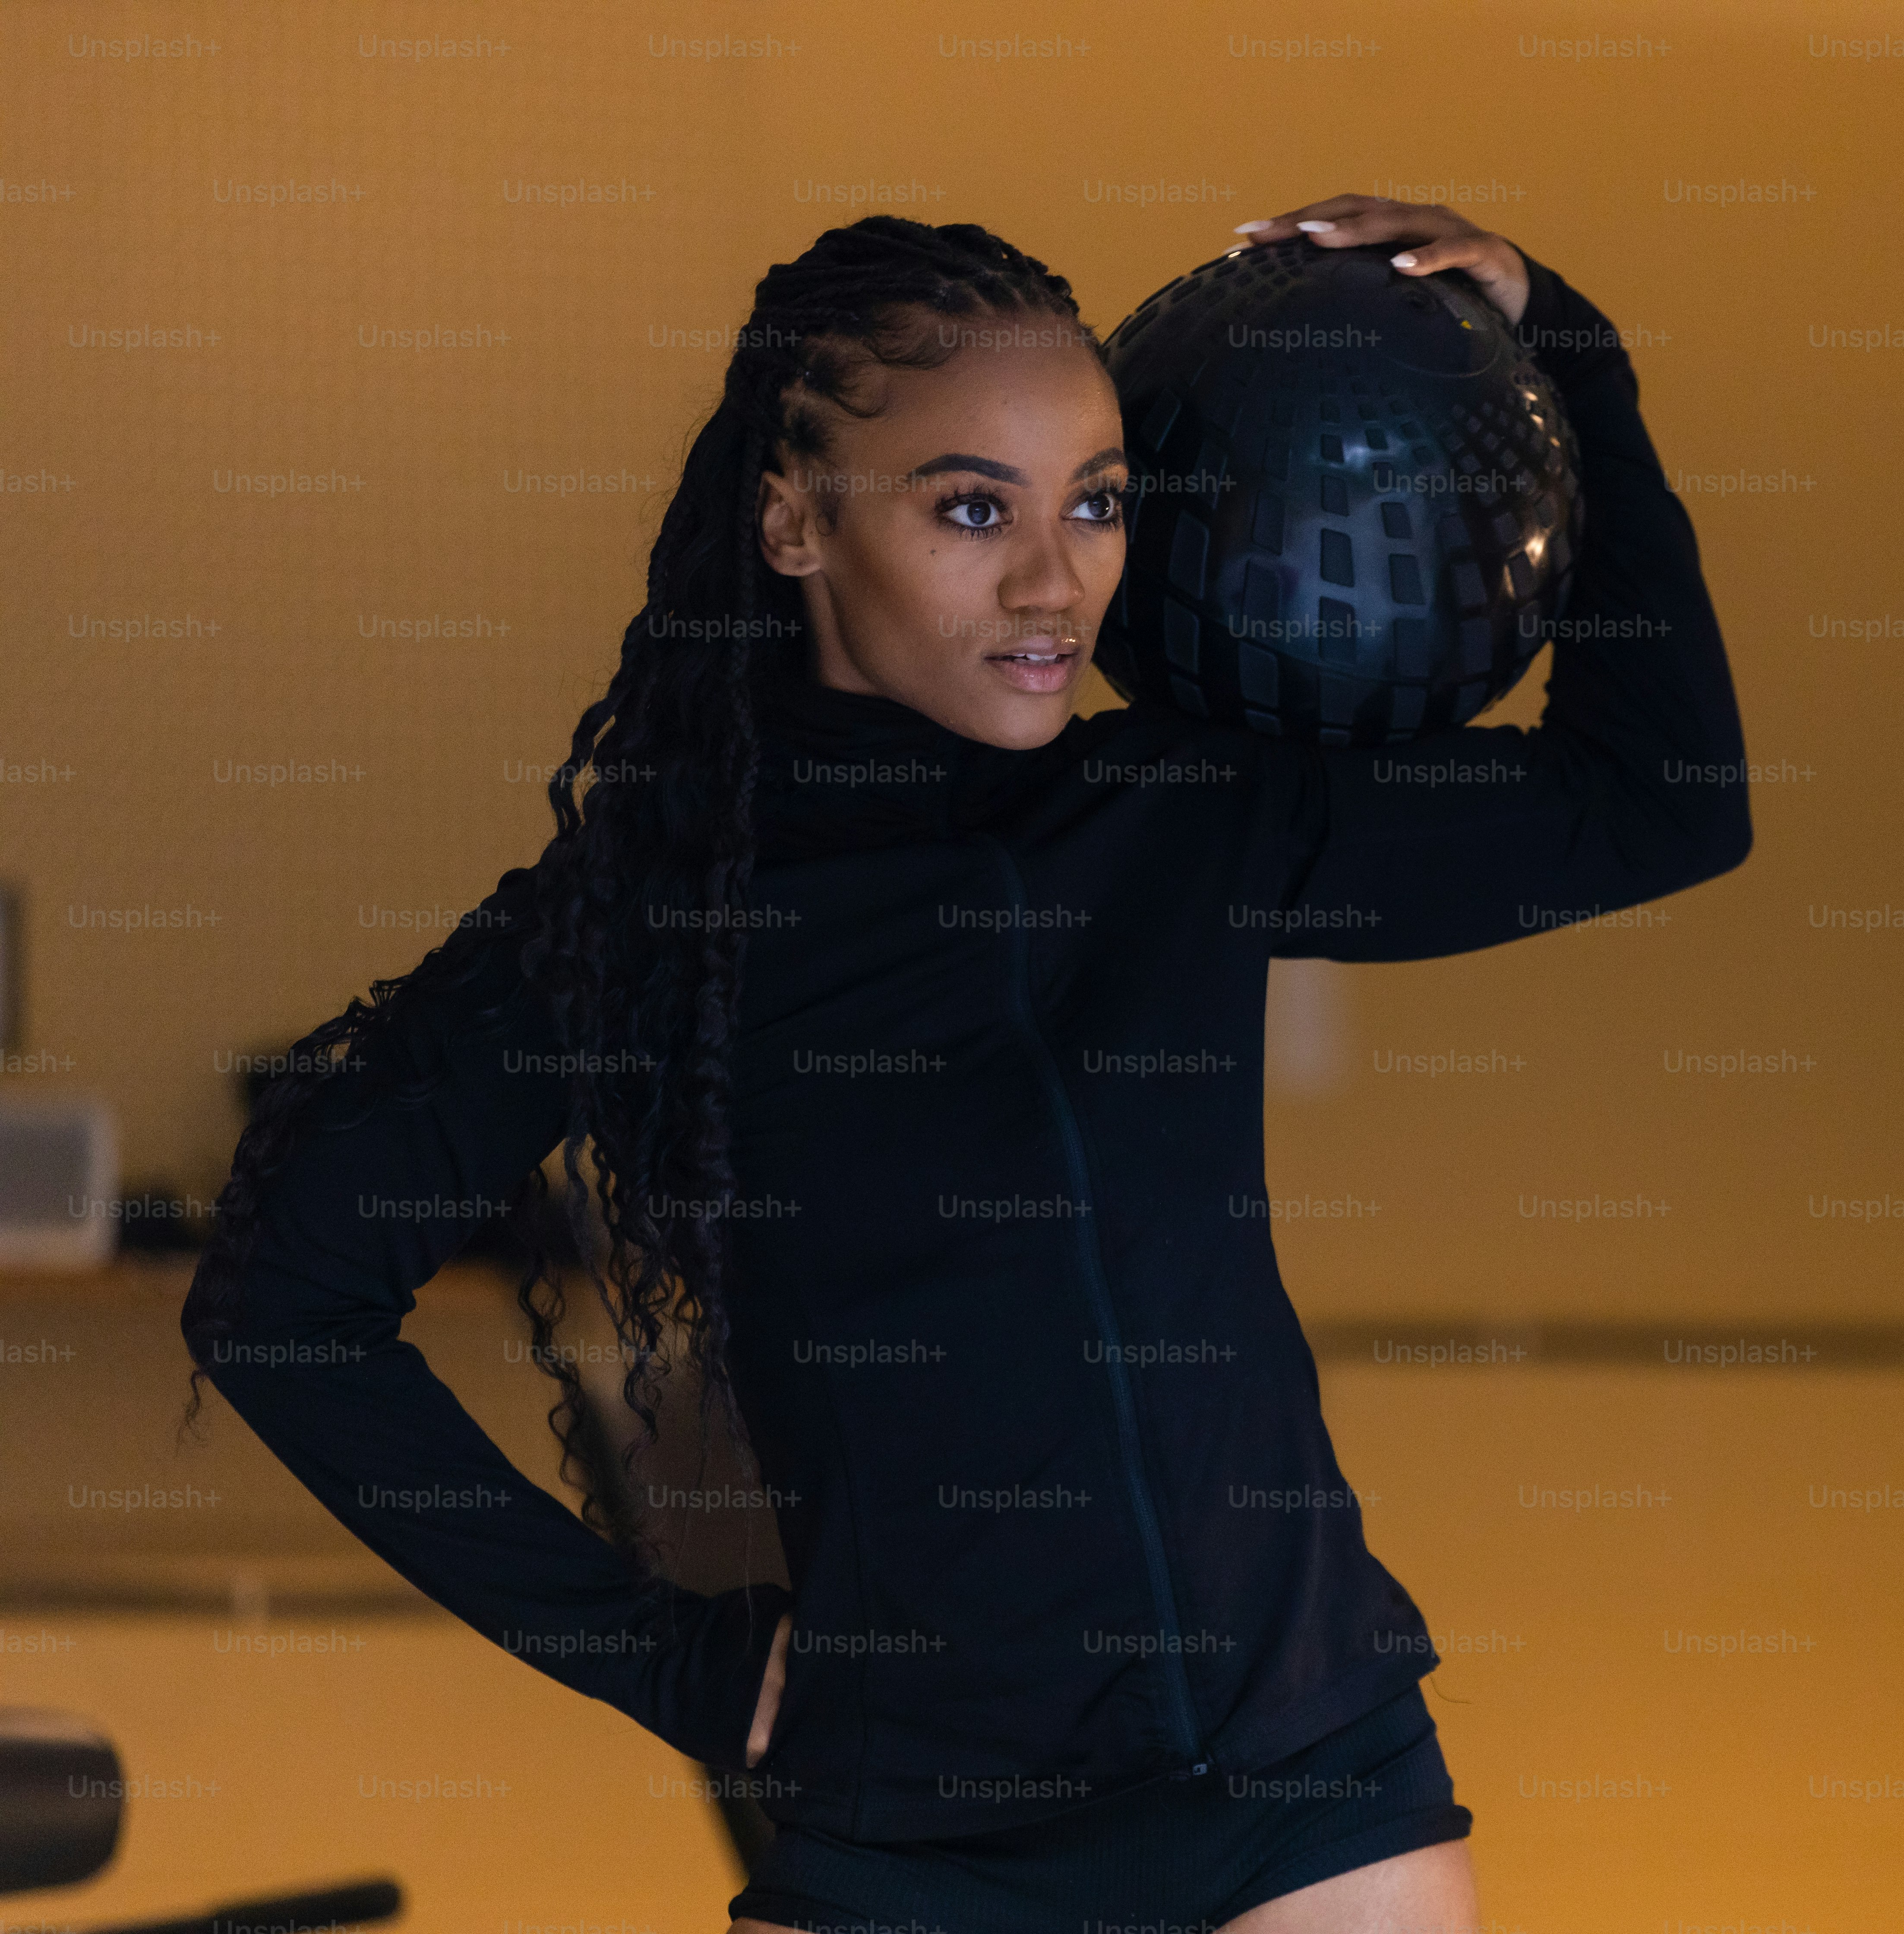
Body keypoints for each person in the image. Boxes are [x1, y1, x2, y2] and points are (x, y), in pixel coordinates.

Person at [178, 193, 1749, 1934]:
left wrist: (1567, 349)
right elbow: (279, 1295)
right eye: (970, 508)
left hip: (1305, 1791)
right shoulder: (658, 910)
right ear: (793, 522)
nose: (1051, 578)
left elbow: (1661, 805)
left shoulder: (1183, 818)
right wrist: (663, 1662)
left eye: (1094, 502)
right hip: (919, 1846)